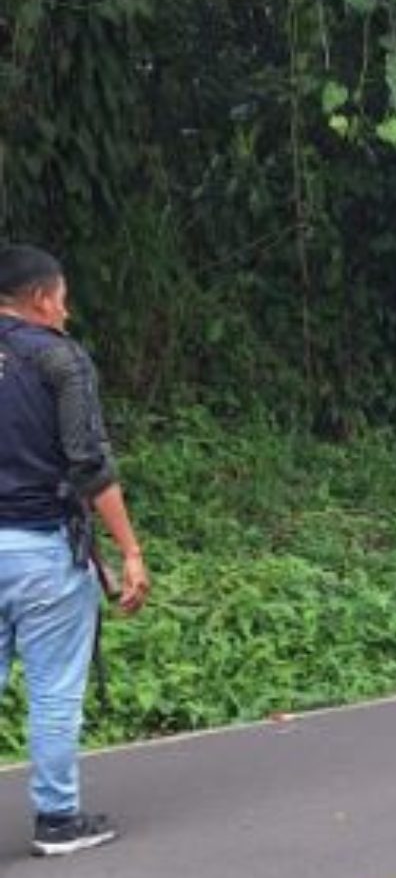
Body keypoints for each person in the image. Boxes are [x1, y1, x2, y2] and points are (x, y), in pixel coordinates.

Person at [0, 244, 151, 856]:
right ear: (40, 298)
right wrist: (130, 551)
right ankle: (58, 821)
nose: (67, 310)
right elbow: (89, 462)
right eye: (62, 298)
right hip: (41, 551)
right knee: (54, 691)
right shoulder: (59, 360)